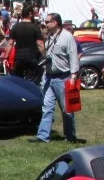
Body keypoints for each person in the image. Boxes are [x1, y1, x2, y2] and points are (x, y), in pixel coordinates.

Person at [31, 12, 79, 144]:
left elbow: (73, 57)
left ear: (55, 23)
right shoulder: (50, 36)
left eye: (47, 22)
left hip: (63, 77)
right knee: (47, 107)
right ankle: (43, 136)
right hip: (49, 76)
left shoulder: (67, 37)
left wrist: (73, 76)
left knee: (66, 109)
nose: (45, 24)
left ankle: (70, 136)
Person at [9, 6, 42, 83]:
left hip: (19, 56)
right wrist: (44, 55)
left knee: (18, 81)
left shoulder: (15, 27)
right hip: (32, 57)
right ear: (30, 14)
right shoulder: (35, 27)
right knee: (32, 80)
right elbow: (40, 43)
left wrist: (6, 57)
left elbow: (10, 43)